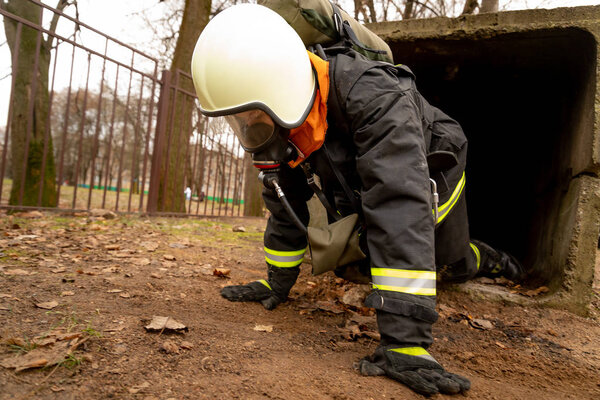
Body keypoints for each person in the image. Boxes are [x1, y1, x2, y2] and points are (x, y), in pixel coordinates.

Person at [191, 4, 524, 396]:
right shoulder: (278, 117)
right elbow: (285, 201)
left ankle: (486, 257)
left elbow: (399, 202)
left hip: (433, 164)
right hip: (355, 165)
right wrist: (276, 282)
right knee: (366, 253)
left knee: (444, 261)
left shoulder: (374, 93)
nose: (249, 128)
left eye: (252, 116)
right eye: (241, 120)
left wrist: (405, 343)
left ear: (280, 89)